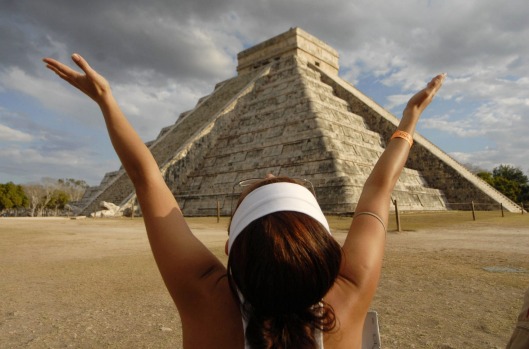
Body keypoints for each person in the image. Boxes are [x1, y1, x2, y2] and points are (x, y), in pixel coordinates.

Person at [43, 53, 445, 349]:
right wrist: (408, 120)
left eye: (256, 186)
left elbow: (147, 178)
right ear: (329, 255)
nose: (269, 172)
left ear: (228, 252)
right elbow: (378, 192)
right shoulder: (349, 296)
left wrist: (106, 100)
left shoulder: (209, 306)